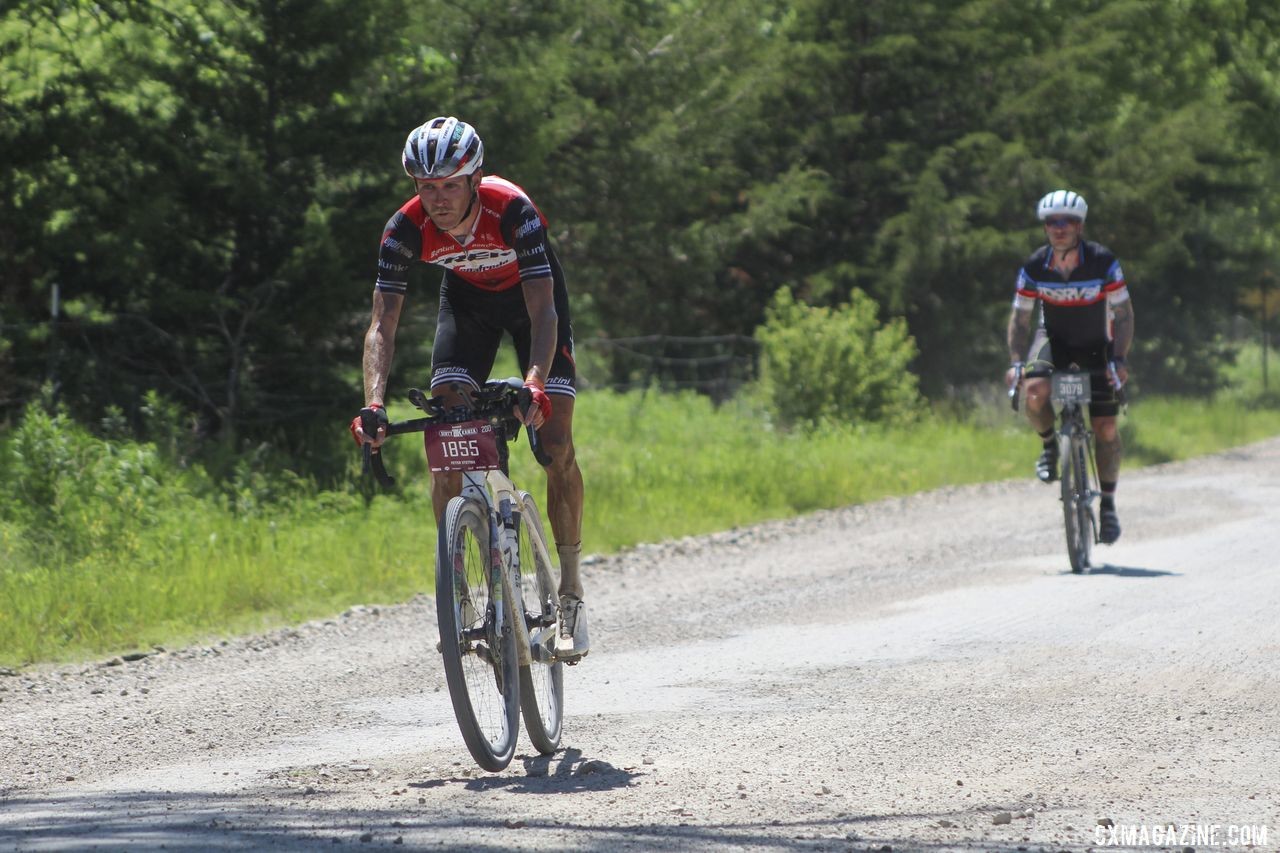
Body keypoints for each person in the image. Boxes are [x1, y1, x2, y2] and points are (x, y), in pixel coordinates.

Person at [350, 116, 589, 658]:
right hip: (468, 308)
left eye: (450, 185)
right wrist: (374, 403)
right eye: (426, 186)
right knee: (450, 433)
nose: (437, 198)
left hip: (535, 309)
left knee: (555, 447)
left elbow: (544, 309)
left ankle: (571, 590)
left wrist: (535, 383)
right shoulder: (403, 229)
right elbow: (381, 326)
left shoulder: (513, 211)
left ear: (474, 179)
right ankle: (462, 585)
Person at [1004, 189, 1135, 544]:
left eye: (1067, 221)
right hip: (1055, 341)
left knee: (1105, 427)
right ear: (1045, 227)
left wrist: (1119, 358)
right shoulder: (1034, 266)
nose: (1058, 228)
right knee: (1033, 391)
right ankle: (1049, 446)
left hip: (1097, 343)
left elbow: (1123, 314)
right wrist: (1017, 362)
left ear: (1079, 226)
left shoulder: (1102, 261)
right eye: (1051, 222)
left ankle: (1107, 506)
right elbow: (1021, 318)